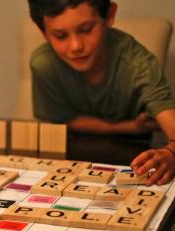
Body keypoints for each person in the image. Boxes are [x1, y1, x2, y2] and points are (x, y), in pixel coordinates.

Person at [27, 0, 175, 186]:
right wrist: (130, 126)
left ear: (110, 14)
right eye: (60, 35)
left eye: (87, 29)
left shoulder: (138, 64)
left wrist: (171, 152)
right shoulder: (44, 63)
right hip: (72, 157)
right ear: (44, 33)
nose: (76, 46)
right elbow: (63, 120)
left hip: (132, 158)